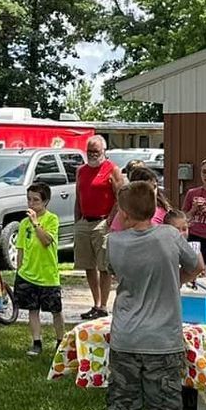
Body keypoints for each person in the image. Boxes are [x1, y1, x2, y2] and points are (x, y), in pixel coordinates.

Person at [106, 178, 205, 410]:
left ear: (125, 212)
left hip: (125, 336)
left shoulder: (114, 242)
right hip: (163, 338)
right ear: (156, 208)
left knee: (123, 407)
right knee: (162, 409)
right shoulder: (170, 237)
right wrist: (173, 282)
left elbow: (115, 274)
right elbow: (197, 267)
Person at [14, 183, 65, 357]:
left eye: (36, 200)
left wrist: (36, 223)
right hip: (27, 274)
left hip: (48, 274)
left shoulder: (52, 219)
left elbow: (46, 241)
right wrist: (19, 270)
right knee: (32, 310)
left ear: (46, 201)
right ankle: (36, 342)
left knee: (55, 311)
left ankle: (61, 341)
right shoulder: (22, 224)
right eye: (29, 199)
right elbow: (20, 248)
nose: (31, 203)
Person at [73, 135, 120, 320]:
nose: (92, 155)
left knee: (104, 266)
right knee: (87, 265)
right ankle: (95, 302)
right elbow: (78, 196)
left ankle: (103, 306)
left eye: (96, 152)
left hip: (102, 222)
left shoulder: (112, 169)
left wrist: (110, 220)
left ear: (104, 151)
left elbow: (120, 197)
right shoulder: (81, 171)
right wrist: (77, 219)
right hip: (85, 221)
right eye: (89, 151)